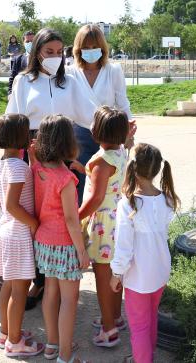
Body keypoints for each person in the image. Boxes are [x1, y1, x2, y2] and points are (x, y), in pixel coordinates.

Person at [6, 28, 99, 310]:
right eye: (49, 52)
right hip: (32, 155)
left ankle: (50, 282)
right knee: (32, 217)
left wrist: (114, 133)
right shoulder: (23, 80)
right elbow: (13, 118)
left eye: (60, 52)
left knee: (58, 217)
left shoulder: (70, 80)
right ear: (36, 52)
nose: (56, 57)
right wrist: (10, 162)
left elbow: (90, 112)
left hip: (63, 156)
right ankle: (33, 278)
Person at [110, 143, 179, 363]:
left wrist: (116, 273)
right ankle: (148, 355)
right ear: (158, 169)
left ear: (132, 168)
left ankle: (142, 359)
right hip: (160, 272)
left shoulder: (128, 204)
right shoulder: (166, 200)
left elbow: (124, 246)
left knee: (139, 326)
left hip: (138, 277)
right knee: (150, 318)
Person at [32, 115, 89, 363]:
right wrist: (82, 251)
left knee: (50, 293)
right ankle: (65, 358)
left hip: (44, 242)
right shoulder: (66, 179)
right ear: (69, 142)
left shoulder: (38, 169)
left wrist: (34, 151)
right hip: (65, 245)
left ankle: (53, 345)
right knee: (69, 300)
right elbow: (70, 220)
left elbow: (36, 157)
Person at [0, 113, 45, 357]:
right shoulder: (18, 167)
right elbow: (12, 204)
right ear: (19, 137)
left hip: (6, 230)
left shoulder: (4, 162)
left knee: (8, 287)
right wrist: (33, 223)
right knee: (19, 290)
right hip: (18, 233)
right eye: (27, 132)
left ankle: (5, 333)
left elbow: (2, 199)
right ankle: (15, 341)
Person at [77, 107, 132, 348]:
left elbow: (96, 197)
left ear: (96, 131)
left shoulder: (101, 161)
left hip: (103, 224)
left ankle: (108, 330)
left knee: (102, 277)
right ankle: (116, 317)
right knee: (115, 273)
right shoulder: (120, 153)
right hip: (119, 219)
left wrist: (77, 217)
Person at [70, 24, 134, 201]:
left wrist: (128, 132)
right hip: (79, 137)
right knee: (80, 184)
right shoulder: (70, 72)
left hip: (110, 136)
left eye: (94, 47)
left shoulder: (113, 70)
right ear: (78, 49)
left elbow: (122, 102)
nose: (90, 51)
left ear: (102, 48)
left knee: (108, 186)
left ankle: (106, 226)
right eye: (86, 47)